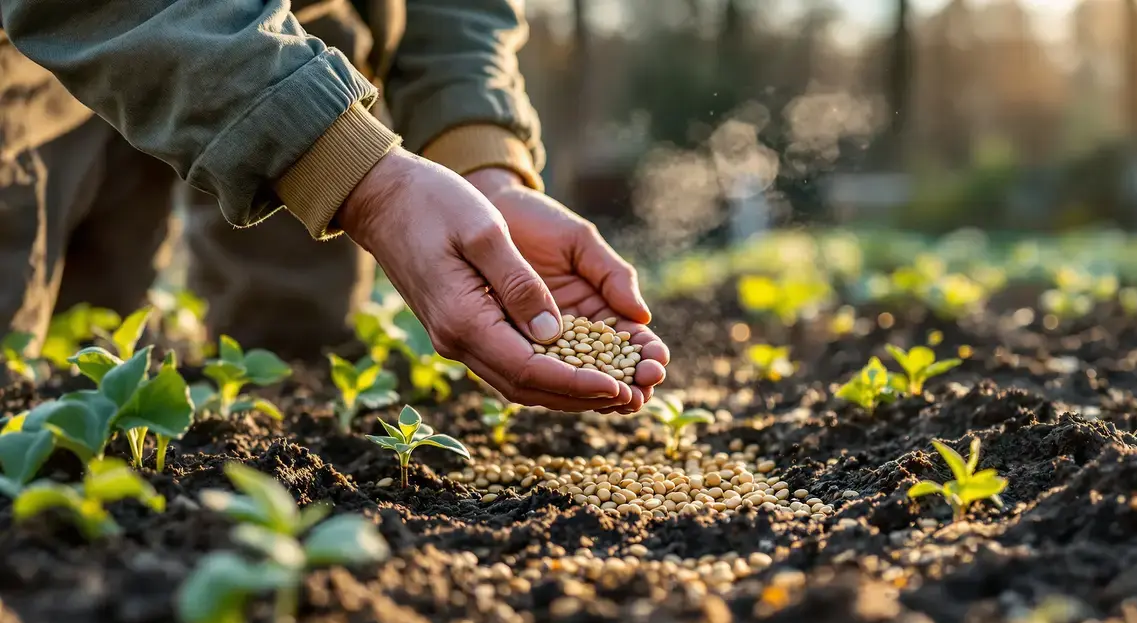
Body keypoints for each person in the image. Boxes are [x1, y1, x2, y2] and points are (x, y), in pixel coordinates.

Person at [0, 0, 668, 413]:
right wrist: (361, 175)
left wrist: (482, 160)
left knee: (298, 343)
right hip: (46, 36)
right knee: (38, 378)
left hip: (296, 35)